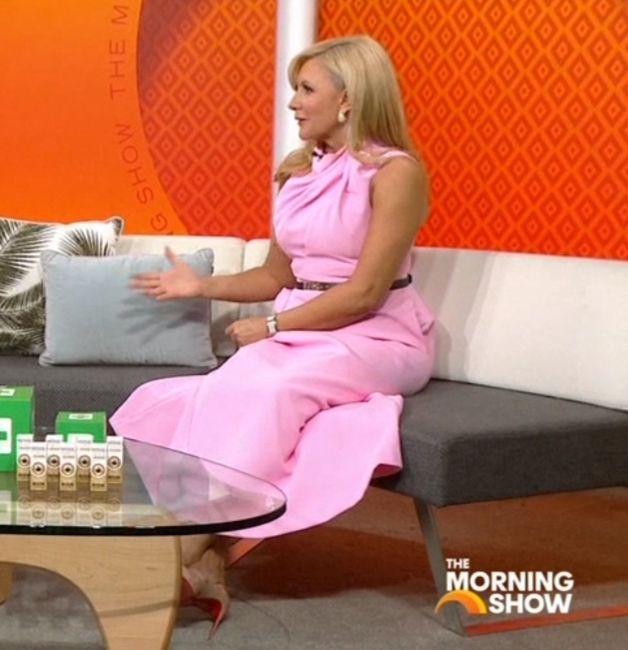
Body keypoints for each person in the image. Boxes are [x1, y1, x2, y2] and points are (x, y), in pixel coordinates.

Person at [110, 34, 435, 631]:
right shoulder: (296, 174)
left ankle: (178, 551)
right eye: (295, 89)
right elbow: (276, 276)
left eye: (306, 89)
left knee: (270, 389)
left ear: (348, 99)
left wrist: (275, 324)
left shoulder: (395, 173)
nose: (293, 103)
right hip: (302, 332)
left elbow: (365, 293)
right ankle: (204, 555)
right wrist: (201, 286)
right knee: (217, 388)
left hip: (377, 334)